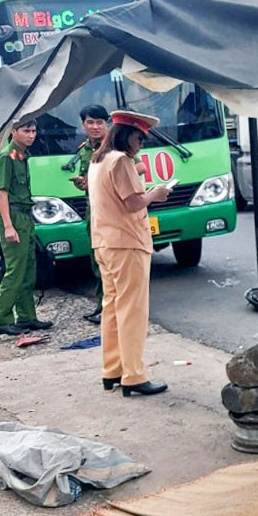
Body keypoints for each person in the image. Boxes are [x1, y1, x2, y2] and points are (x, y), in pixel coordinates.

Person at [88, 110, 172, 397]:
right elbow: (134, 203)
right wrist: (155, 194)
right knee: (132, 311)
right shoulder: (121, 161)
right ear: (127, 135)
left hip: (104, 242)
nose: (141, 144)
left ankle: (112, 370)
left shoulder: (97, 160)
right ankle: (134, 375)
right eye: (139, 138)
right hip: (127, 242)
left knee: (111, 308)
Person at [0, 116, 54, 336]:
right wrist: (9, 226)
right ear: (14, 131)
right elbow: (3, 193)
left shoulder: (23, 156)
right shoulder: (6, 158)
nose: (31, 135)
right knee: (15, 271)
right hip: (15, 217)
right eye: (26, 131)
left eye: (33, 131)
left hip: (26, 217)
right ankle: (2, 319)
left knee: (29, 269)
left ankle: (27, 317)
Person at [72, 104, 111, 323]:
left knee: (109, 260)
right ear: (83, 125)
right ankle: (101, 306)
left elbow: (139, 168)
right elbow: (88, 182)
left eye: (99, 122)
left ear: (107, 124)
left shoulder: (114, 147)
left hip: (110, 212)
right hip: (93, 210)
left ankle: (110, 309)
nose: (95, 127)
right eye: (90, 122)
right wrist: (83, 184)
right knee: (97, 259)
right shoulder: (85, 149)